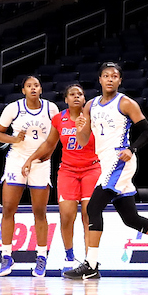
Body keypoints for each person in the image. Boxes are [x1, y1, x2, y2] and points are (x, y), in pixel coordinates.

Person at [64, 62, 148, 280]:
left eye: (114, 76)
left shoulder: (126, 103)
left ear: (120, 81)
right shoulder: (90, 105)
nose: (110, 79)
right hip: (106, 163)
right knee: (131, 219)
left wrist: (132, 148)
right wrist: (81, 128)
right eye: (106, 75)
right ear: (99, 79)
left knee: (93, 207)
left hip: (120, 161)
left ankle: (91, 265)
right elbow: (82, 142)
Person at [21, 83, 101, 276]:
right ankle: (69, 257)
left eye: (80, 94)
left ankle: (91, 262)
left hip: (91, 169)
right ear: (65, 99)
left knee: (88, 215)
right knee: (66, 216)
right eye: (72, 94)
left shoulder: (92, 118)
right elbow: (49, 143)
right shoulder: (59, 119)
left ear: (84, 99)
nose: (76, 97)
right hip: (68, 171)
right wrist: (31, 159)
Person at [0, 76, 59, 278]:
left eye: (36, 85)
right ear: (23, 90)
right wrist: (14, 139)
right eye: (29, 86)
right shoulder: (14, 108)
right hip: (17, 160)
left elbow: (56, 136)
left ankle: (41, 256)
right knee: (8, 209)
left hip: (40, 162)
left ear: (41, 89)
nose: (33, 88)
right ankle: (6, 255)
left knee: (40, 212)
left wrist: (48, 153)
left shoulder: (51, 108)